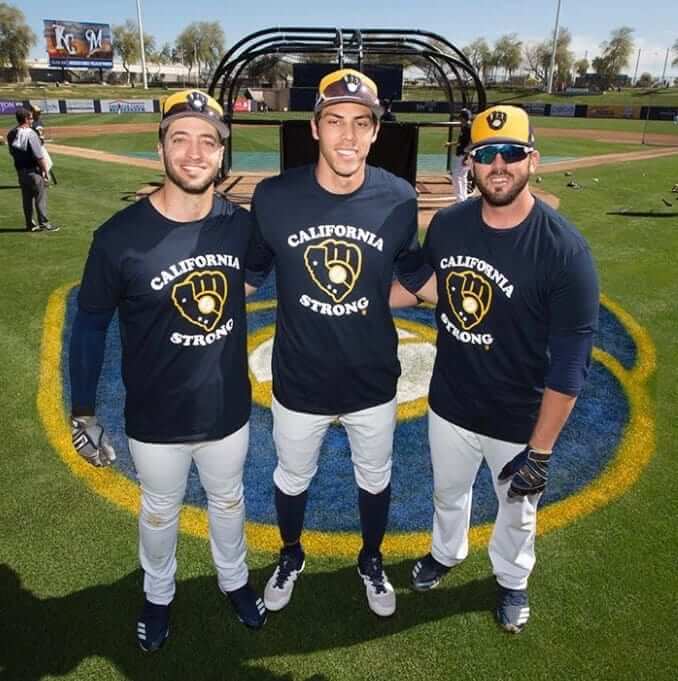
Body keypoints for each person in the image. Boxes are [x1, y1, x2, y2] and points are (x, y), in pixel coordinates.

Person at [69, 89, 267, 653]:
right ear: (160, 147)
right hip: (155, 415)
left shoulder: (239, 224)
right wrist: (83, 409)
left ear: (222, 154)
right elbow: (89, 326)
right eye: (179, 138)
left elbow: (254, 270)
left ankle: (234, 581)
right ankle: (159, 596)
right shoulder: (117, 237)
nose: (194, 152)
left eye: (208, 141)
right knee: (159, 512)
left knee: (229, 501)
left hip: (228, 407)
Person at [391, 105, 599, 633]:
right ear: (471, 164)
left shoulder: (564, 250)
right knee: (448, 492)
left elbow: (572, 361)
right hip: (452, 400)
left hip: (518, 416)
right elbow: (431, 286)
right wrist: (365, 294)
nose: (499, 164)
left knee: (517, 510)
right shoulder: (450, 223)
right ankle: (446, 552)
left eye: (511, 153)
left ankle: (511, 579)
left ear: (534, 160)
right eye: (486, 154)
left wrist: (543, 450)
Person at [247, 69, 421, 618]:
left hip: (372, 378)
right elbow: (248, 276)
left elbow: (414, 275)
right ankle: (290, 554)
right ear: (315, 128)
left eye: (361, 124)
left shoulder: (398, 198)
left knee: (376, 476)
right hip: (300, 378)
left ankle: (371, 559)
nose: (348, 136)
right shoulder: (274, 197)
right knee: (292, 476)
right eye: (336, 122)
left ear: (375, 133)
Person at [6, 107, 57, 232]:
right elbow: (38, 155)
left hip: (20, 170)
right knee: (40, 198)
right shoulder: (30, 133)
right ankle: (44, 224)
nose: (32, 120)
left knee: (26, 199)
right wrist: (45, 170)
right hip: (33, 171)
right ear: (26, 119)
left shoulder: (11, 133)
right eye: (31, 118)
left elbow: (12, 152)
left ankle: (30, 224)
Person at [448, 107, 472, 202]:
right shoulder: (465, 127)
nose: (459, 119)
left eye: (461, 117)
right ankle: (463, 199)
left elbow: (471, 142)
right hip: (463, 154)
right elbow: (462, 142)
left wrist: (466, 155)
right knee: (462, 177)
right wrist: (451, 144)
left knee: (457, 176)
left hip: (464, 155)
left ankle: (460, 200)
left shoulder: (469, 128)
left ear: (464, 118)